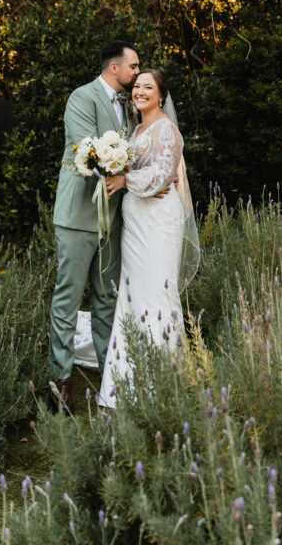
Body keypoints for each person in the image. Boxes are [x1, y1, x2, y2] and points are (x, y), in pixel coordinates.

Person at [98, 68, 199, 409]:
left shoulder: (167, 130)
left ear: (161, 96)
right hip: (136, 222)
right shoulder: (137, 129)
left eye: (148, 87)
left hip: (158, 222)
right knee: (132, 293)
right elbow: (138, 169)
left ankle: (166, 384)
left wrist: (127, 180)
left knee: (158, 293)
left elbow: (162, 175)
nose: (140, 91)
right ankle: (127, 384)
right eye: (137, 86)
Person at [48, 40, 140, 412]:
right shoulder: (81, 98)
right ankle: (61, 380)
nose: (137, 73)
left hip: (114, 218)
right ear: (114, 68)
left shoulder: (131, 105)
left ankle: (109, 379)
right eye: (133, 66)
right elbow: (85, 149)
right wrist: (126, 163)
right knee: (68, 298)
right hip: (78, 215)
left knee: (106, 299)